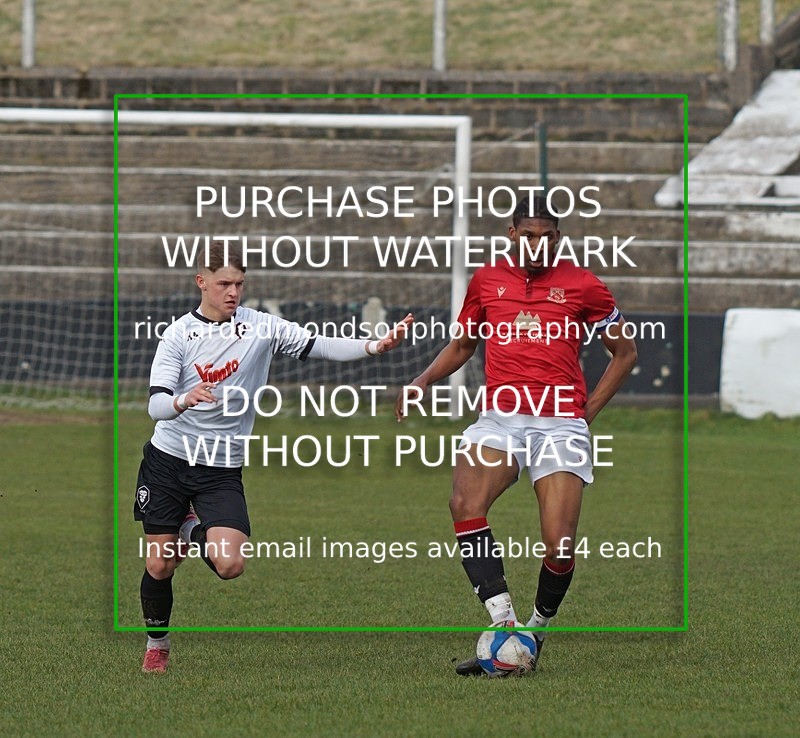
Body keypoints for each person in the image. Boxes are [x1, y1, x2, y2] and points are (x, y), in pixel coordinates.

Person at [135, 243, 413, 673]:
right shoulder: (178, 336)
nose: (233, 292)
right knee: (159, 562)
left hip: (220, 467)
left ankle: (192, 530)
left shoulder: (261, 327)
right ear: (201, 282)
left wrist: (374, 347)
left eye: (240, 284)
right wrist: (182, 400)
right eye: (224, 283)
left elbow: (319, 345)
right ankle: (158, 645)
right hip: (168, 461)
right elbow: (155, 405)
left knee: (230, 564)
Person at [394, 195, 637, 676]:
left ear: (558, 240)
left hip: (559, 422)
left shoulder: (583, 285)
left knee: (559, 545)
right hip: (501, 419)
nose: (537, 245)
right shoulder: (486, 281)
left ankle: (536, 630)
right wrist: (422, 380)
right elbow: (464, 343)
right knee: (464, 503)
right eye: (528, 235)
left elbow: (625, 353)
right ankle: (504, 625)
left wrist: (586, 412)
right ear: (512, 236)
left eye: (547, 237)